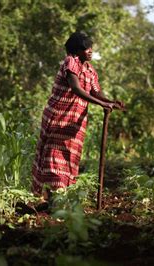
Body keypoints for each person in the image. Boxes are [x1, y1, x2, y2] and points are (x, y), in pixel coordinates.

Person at [31, 32, 124, 203]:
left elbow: (96, 91)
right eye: (86, 48)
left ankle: (59, 197)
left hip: (75, 122)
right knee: (54, 155)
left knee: (69, 156)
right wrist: (101, 104)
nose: (90, 51)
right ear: (77, 50)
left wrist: (110, 102)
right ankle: (52, 198)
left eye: (91, 48)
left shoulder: (90, 69)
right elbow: (76, 88)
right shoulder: (71, 62)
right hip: (59, 117)